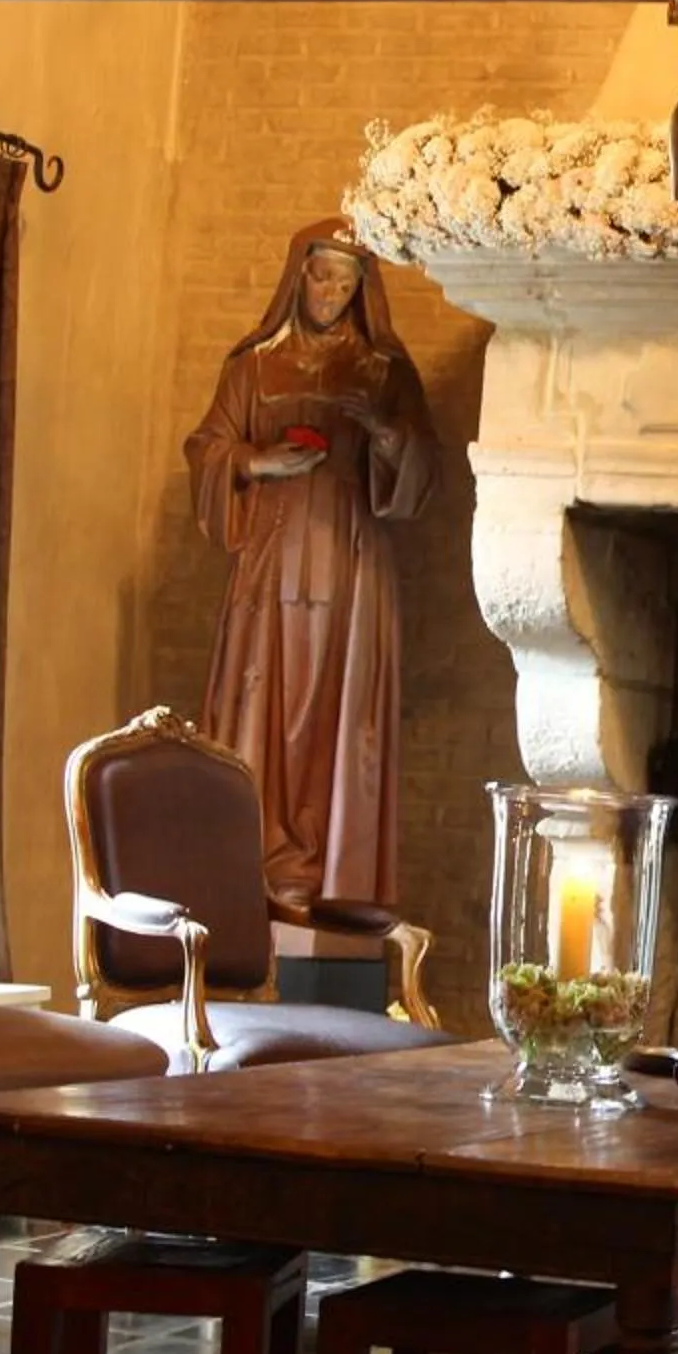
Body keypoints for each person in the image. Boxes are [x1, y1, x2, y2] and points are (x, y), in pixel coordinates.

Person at [186, 220, 441, 912]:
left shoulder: (384, 371)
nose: (331, 292)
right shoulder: (253, 366)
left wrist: (383, 432)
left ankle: (330, 879)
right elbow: (208, 446)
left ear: (363, 289)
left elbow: (422, 468)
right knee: (261, 699)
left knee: (337, 707)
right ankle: (257, 871)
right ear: (299, 275)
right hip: (269, 559)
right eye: (322, 276)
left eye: (346, 281)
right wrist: (256, 461)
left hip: (349, 561)